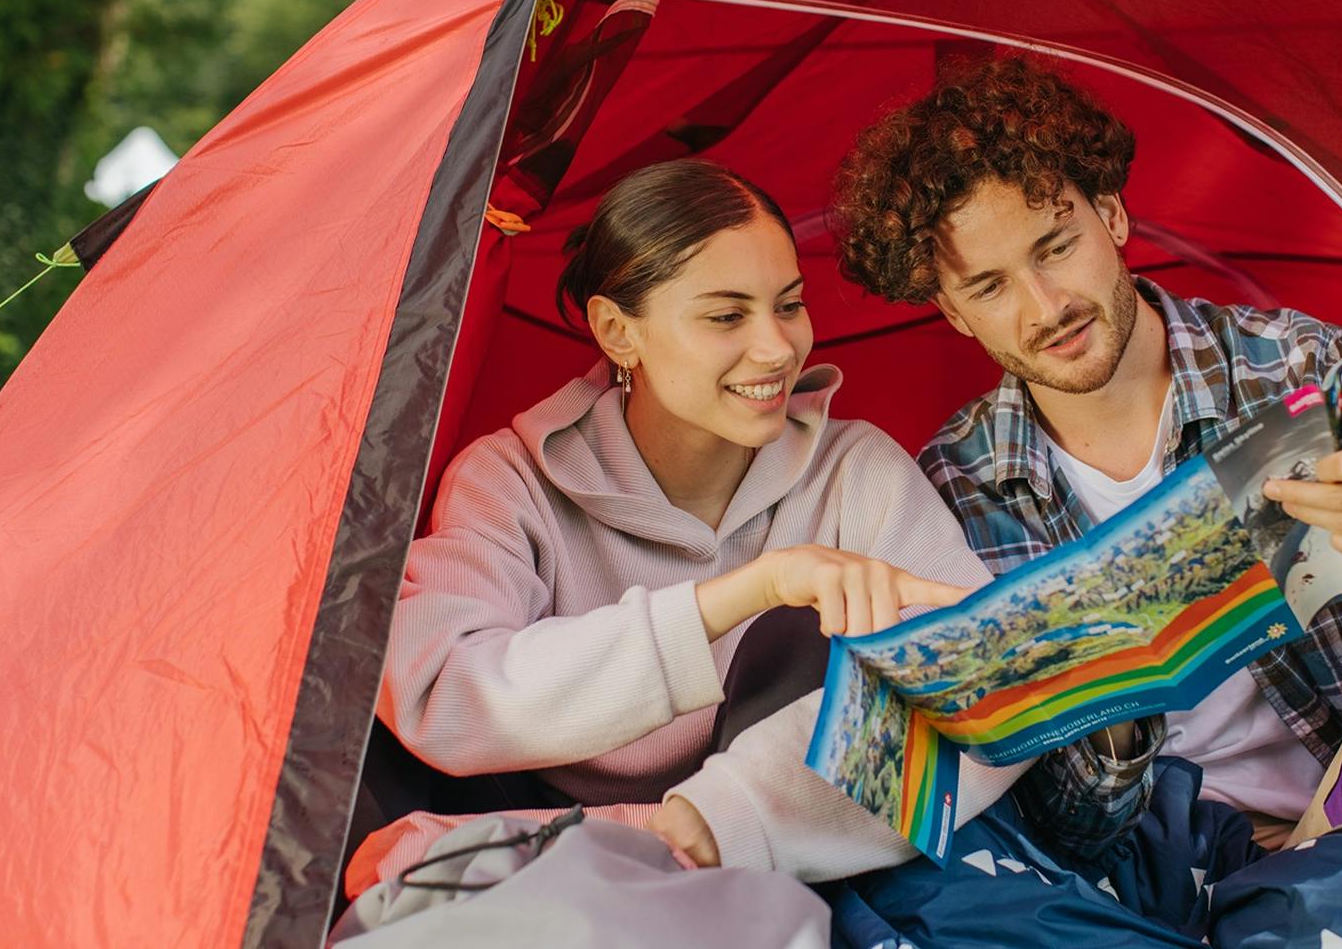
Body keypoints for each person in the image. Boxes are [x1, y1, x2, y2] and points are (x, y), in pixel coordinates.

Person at [831, 54, 1342, 917]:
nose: (1044, 305)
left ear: (1111, 215)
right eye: (990, 287)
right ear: (953, 311)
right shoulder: (954, 488)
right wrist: (1104, 704)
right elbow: (1060, 831)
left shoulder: (1308, 372)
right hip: (1151, 883)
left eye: (1056, 247)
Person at [380, 158, 1027, 879]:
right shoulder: (509, 481)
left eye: (789, 305)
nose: (778, 348)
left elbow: (987, 685)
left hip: (791, 867)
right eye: (727, 316)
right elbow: (444, 692)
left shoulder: (856, 470)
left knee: (807, 638)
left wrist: (723, 820)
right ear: (617, 331)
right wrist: (750, 591)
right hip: (559, 864)